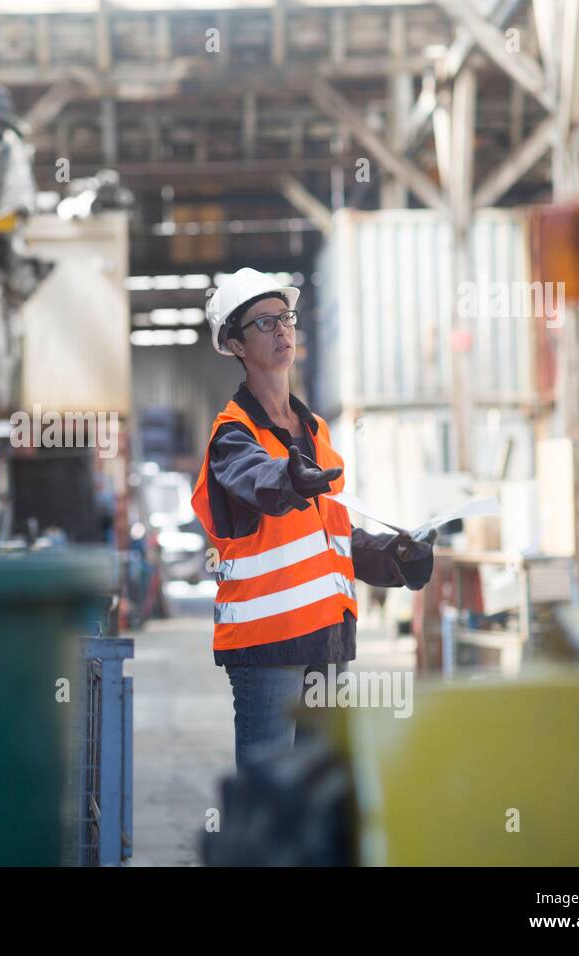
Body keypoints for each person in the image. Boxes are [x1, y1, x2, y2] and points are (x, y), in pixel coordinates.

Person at [190, 268, 436, 770]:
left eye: (287, 318)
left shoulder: (315, 430)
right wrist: (289, 478)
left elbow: (332, 537)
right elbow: (259, 481)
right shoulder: (232, 437)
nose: (282, 330)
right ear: (235, 344)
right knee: (270, 806)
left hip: (327, 642)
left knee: (317, 807)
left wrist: (396, 557)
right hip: (268, 647)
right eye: (264, 323)